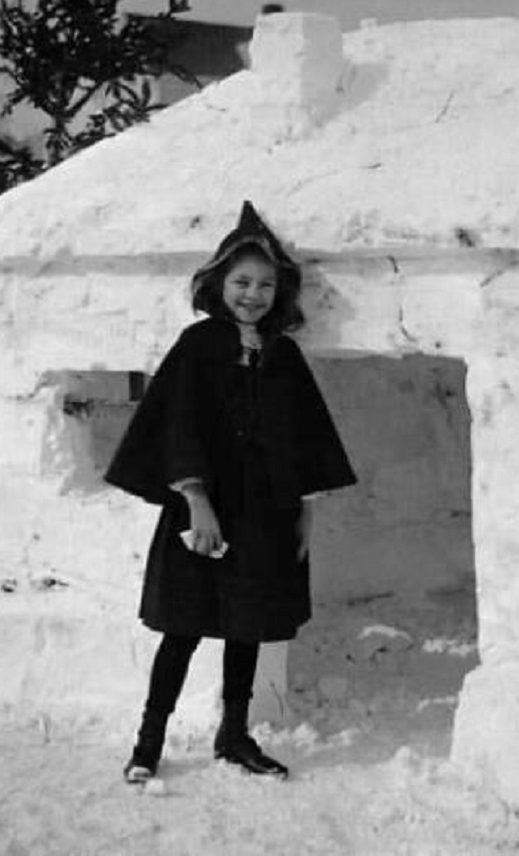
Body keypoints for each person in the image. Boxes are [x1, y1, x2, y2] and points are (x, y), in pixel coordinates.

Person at [105, 200, 356, 784]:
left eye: (266, 284)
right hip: (205, 516)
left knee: (247, 626)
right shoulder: (197, 347)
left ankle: (235, 735)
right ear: (218, 283)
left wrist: (305, 513)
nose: (253, 294)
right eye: (242, 281)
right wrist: (196, 501)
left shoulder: (283, 355)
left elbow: (305, 437)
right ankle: (148, 742)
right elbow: (178, 424)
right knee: (183, 629)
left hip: (266, 518)